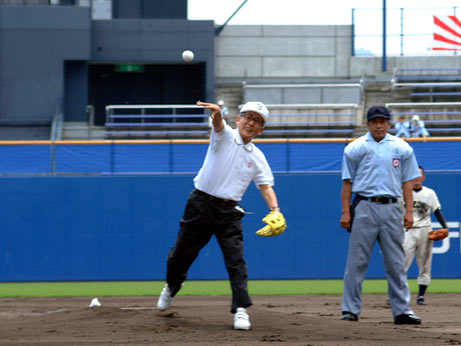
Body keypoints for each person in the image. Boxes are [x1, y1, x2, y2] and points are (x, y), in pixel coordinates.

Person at [157, 100, 284, 330]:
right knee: (181, 255)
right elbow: (217, 125)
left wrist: (275, 209)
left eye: (257, 120)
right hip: (200, 204)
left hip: (229, 212)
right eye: (247, 116)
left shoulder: (258, 157)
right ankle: (172, 285)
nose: (251, 122)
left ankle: (241, 310)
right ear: (238, 119)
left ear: (261, 129)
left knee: (236, 261)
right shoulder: (224, 135)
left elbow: (265, 187)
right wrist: (216, 114)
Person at [339, 105, 422, 325]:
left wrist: (409, 211)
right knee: (356, 263)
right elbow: (347, 182)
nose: (378, 125)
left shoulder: (402, 147)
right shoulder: (354, 148)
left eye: (382, 121)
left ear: (389, 123)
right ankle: (350, 309)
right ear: (367, 124)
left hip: (392, 207)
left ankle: (402, 310)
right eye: (374, 121)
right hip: (365, 206)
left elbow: (407, 182)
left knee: (396, 262)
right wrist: (346, 212)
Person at [403, 165, 448, 306]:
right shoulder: (402, 192)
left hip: (425, 230)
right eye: (413, 175)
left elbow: (437, 211)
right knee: (401, 264)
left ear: (423, 177)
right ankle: (397, 294)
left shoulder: (429, 193)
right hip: (407, 230)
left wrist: (445, 227)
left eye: (419, 175)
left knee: (425, 264)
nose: (416, 178)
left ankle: (421, 296)